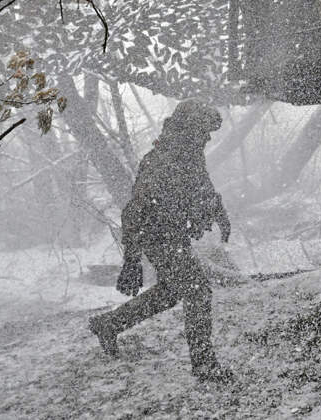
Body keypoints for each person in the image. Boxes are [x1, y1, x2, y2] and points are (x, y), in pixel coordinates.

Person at [88, 100, 232, 381]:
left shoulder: (189, 155)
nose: (208, 137)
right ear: (190, 129)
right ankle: (204, 365)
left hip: (173, 234)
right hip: (157, 237)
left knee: (172, 291)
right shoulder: (160, 162)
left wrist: (219, 213)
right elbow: (134, 212)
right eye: (205, 131)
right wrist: (131, 260)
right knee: (197, 291)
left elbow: (203, 187)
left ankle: (108, 324)